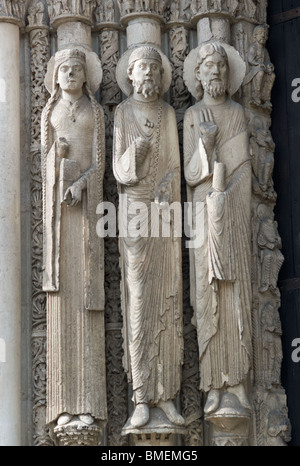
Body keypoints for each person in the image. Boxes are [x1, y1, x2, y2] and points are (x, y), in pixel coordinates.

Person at [113, 46, 184, 429]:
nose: (150, 76)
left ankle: (168, 396)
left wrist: (167, 191)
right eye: (143, 69)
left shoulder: (169, 114)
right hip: (134, 216)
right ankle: (142, 398)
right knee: (139, 304)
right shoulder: (123, 114)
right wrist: (136, 154)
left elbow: (174, 166)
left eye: (155, 70)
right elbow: (120, 173)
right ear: (131, 75)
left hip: (165, 212)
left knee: (168, 304)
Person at [184, 41, 252, 415]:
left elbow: (243, 169)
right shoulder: (193, 115)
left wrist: (226, 197)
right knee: (207, 298)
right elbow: (191, 174)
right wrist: (206, 147)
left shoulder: (238, 114)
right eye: (208, 67)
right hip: (202, 215)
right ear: (197, 75)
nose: (215, 74)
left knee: (235, 297)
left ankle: (238, 383)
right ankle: (213, 385)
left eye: (221, 68)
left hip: (233, 213)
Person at [41, 48, 106, 441]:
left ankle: (91, 406)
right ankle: (63, 407)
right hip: (58, 230)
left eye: (76, 69)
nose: (70, 74)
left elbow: (99, 164)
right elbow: (44, 163)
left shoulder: (95, 113)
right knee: (62, 307)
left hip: (87, 223)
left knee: (87, 306)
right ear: (56, 76)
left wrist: (82, 183)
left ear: (86, 77)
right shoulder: (50, 113)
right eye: (64, 68)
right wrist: (56, 159)